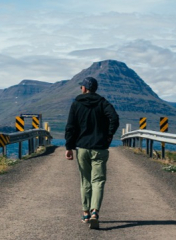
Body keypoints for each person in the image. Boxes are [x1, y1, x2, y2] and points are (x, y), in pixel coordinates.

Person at [65, 76, 119, 229]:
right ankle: (95, 211)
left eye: (81, 86)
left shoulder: (76, 104)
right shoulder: (103, 103)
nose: (80, 88)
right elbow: (114, 118)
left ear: (85, 88)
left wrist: (69, 147)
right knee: (98, 181)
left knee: (85, 181)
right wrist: (108, 135)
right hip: (100, 148)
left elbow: (70, 127)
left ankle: (85, 213)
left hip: (82, 148)